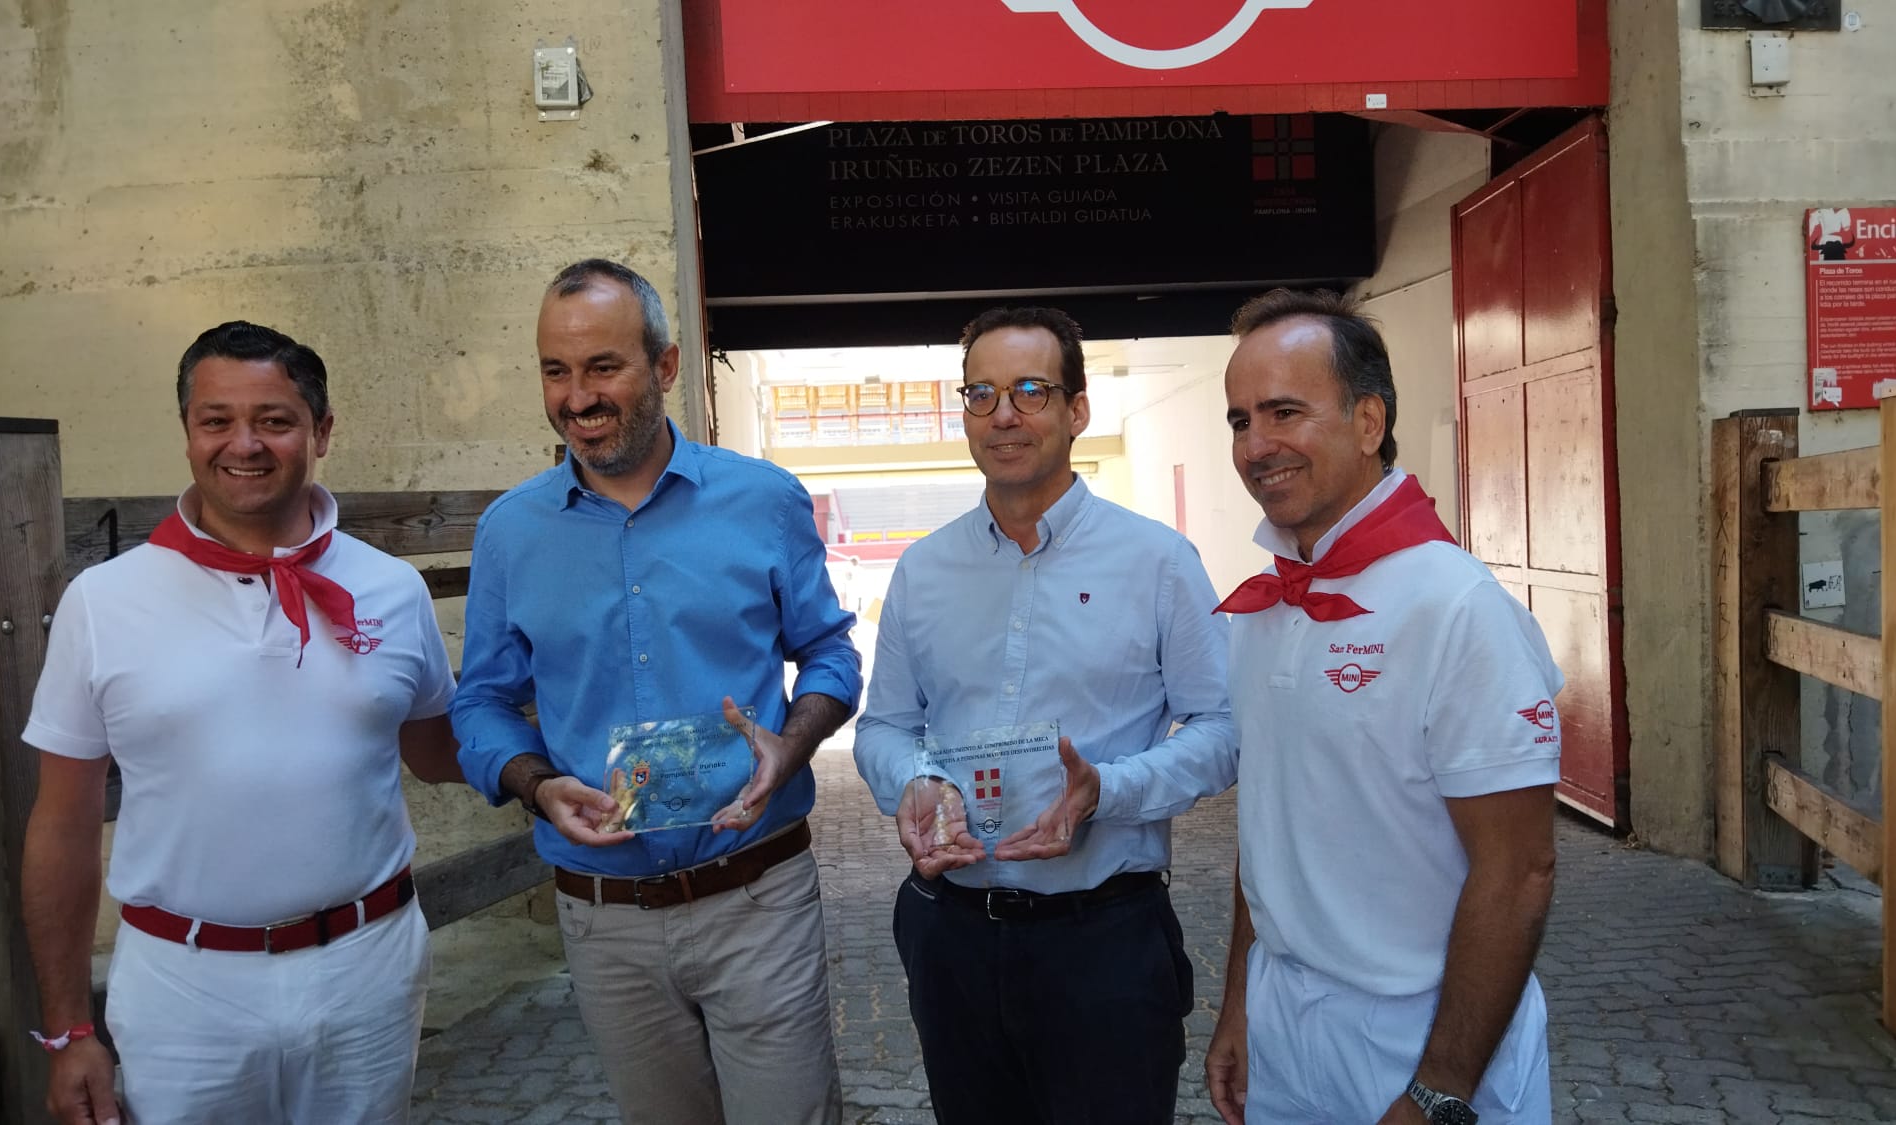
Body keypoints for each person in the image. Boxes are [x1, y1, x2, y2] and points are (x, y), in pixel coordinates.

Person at [20, 321, 462, 1125]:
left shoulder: (393, 588)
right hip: (185, 986)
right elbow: (61, 823)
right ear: (187, 432)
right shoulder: (104, 601)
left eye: (275, 419)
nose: (243, 443)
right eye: (216, 419)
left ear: (322, 432)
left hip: (366, 967)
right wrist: (67, 1028)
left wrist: (573, 736)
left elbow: (439, 751)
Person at [452, 259, 860, 1125]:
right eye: (555, 371)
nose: (577, 396)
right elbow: (480, 702)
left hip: (758, 895)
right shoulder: (511, 533)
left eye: (604, 366)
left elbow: (829, 652)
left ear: (666, 367)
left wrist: (792, 741)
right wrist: (532, 780)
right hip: (607, 916)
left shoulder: (763, 501)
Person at [853, 306, 1237, 1124]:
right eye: (981, 393)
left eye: (1030, 390)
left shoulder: (1159, 562)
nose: (1003, 415)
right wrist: (916, 782)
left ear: (1077, 410)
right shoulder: (924, 571)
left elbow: (1223, 729)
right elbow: (883, 726)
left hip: (1104, 940)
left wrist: (1110, 789)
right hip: (954, 935)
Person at [1205, 288, 1563, 1125]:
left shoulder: (1457, 606)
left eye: (1285, 411)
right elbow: (1267, 833)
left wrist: (1439, 1089)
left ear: (1369, 421)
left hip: (1422, 1037)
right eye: (1240, 420)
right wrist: (1239, 1006)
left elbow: (1519, 872)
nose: (1258, 446)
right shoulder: (1266, 605)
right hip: (1286, 1027)